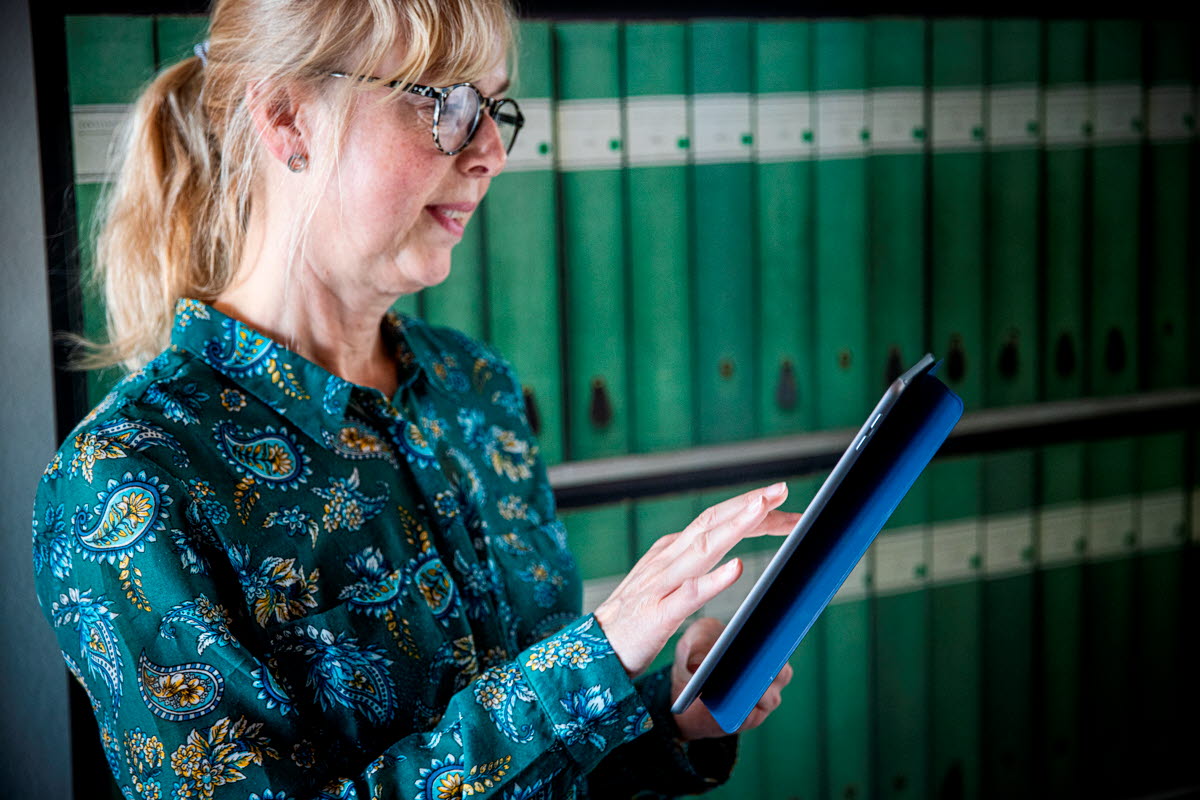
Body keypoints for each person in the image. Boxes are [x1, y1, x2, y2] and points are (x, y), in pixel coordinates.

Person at [32, 1, 798, 797]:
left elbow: (550, 769)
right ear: (287, 118)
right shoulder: (126, 480)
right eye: (446, 101)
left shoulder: (476, 389)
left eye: (494, 106)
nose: (492, 152)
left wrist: (668, 712)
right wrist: (591, 663)